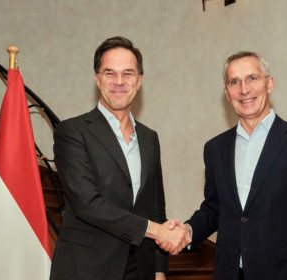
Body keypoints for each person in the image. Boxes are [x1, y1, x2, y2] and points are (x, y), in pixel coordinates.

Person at [169, 51, 287, 280]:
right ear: (227, 93)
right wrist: (187, 231)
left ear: (269, 83)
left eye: (252, 78)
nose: (244, 89)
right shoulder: (214, 149)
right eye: (234, 82)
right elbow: (215, 209)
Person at [50, 36, 190, 280]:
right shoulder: (71, 132)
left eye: (127, 73)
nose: (119, 81)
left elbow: (155, 207)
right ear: (97, 79)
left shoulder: (149, 138)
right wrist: (157, 231)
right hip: (87, 270)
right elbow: (88, 204)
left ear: (139, 81)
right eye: (109, 73)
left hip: (140, 270)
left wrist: (159, 271)